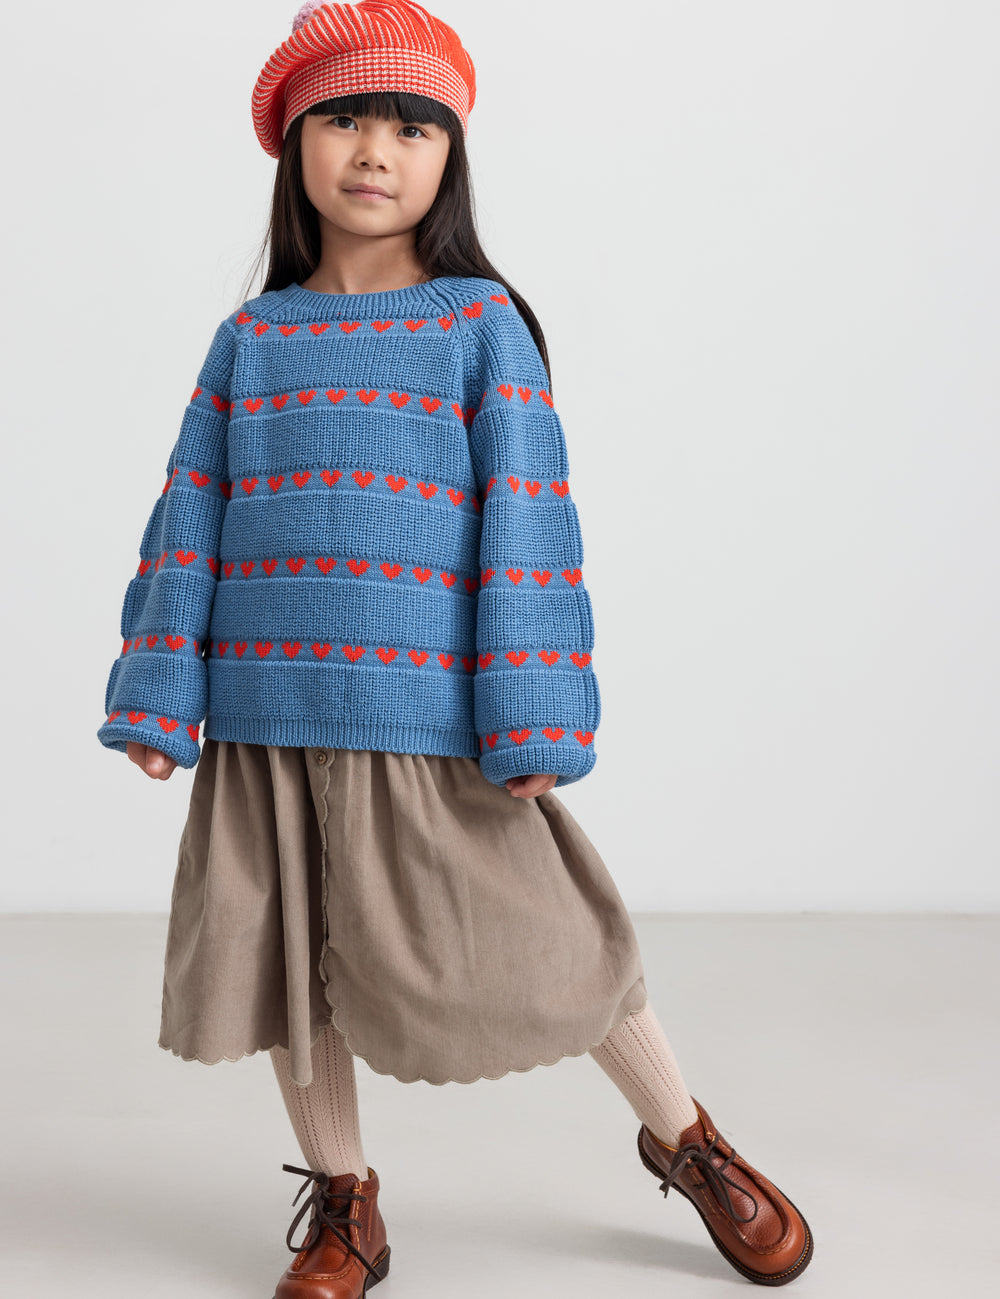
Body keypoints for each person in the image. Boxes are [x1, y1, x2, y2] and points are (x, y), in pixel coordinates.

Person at [96, 2, 814, 1292]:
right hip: (263, 714)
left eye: (410, 127)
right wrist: (158, 687)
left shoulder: (480, 327)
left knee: (561, 944)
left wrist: (534, 709)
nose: (375, 150)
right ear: (295, 146)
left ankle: (685, 1136)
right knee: (294, 970)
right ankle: (344, 1202)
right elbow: (187, 514)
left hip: (427, 720)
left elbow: (531, 524)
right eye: (344, 120)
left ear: (450, 157)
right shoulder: (251, 340)